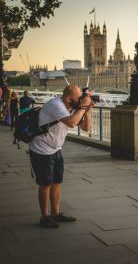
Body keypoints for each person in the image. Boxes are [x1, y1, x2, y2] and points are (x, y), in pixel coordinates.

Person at [29, 85, 94, 228]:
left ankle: (56, 213)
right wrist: (83, 108)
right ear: (69, 98)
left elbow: (86, 128)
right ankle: (44, 216)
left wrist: (87, 110)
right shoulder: (55, 104)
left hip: (56, 149)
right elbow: (71, 123)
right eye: (79, 98)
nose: (81, 99)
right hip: (41, 150)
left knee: (56, 182)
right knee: (45, 184)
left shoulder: (74, 106)